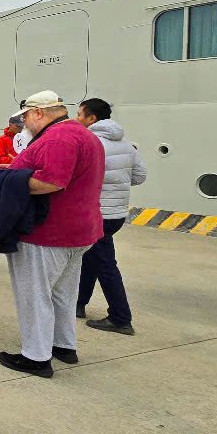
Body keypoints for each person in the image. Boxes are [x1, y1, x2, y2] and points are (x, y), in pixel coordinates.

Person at [0, 91, 105, 378]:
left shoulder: (58, 138)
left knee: (34, 294)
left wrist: (9, 180)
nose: (24, 125)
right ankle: (63, 345)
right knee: (63, 293)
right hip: (79, 231)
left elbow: (51, 181)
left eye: (25, 119)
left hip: (48, 233)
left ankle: (36, 356)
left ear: (37, 113)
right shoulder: (83, 135)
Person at [76, 98, 146, 336]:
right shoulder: (127, 144)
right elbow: (139, 177)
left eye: (80, 115)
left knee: (105, 263)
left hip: (97, 212)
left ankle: (120, 317)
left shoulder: (90, 143)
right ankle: (79, 303)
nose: (78, 119)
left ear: (92, 119)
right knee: (91, 256)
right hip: (116, 214)